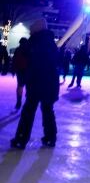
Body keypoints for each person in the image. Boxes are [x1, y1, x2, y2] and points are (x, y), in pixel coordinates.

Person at [11, 19, 60, 149]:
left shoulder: (35, 43)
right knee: (47, 110)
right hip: (50, 84)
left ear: (37, 29)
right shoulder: (51, 43)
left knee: (28, 112)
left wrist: (25, 78)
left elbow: (32, 65)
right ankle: (50, 137)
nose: (30, 31)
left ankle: (21, 139)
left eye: (32, 29)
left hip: (37, 83)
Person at [12, 38, 30, 110]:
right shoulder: (29, 50)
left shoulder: (18, 50)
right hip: (28, 71)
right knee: (28, 87)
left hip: (20, 71)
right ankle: (27, 101)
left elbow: (14, 60)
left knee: (20, 86)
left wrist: (13, 70)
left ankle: (19, 101)